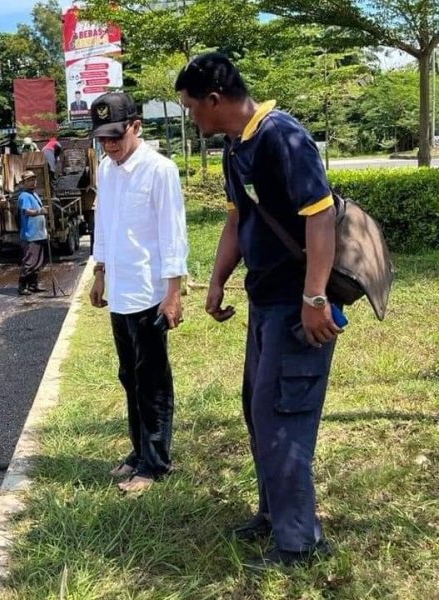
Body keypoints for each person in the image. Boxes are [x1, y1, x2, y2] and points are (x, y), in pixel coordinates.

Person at [175, 53, 341, 568]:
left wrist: (314, 296)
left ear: (214, 100)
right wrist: (217, 281)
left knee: (284, 419)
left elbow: (322, 215)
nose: (189, 117)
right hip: (264, 304)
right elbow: (237, 221)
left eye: (189, 107)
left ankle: (300, 545)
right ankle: (274, 515)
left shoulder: (282, 137)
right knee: (259, 411)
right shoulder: (235, 147)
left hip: (298, 308)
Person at [88, 92, 188, 493]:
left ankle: (156, 462)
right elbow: (104, 226)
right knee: (129, 375)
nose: (110, 145)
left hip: (150, 292)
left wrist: (174, 292)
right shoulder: (107, 171)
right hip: (121, 289)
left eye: (116, 136)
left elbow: (173, 234)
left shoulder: (159, 170)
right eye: (103, 139)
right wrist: (99, 273)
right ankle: (138, 452)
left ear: (136, 127)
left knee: (152, 380)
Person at [17, 170, 48, 296]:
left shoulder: (33, 194)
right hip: (30, 235)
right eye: (29, 180)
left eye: (34, 180)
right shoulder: (24, 196)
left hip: (39, 233)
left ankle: (33, 285)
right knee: (30, 261)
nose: (32, 182)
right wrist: (40, 211)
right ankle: (22, 286)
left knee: (38, 261)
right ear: (23, 183)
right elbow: (27, 211)